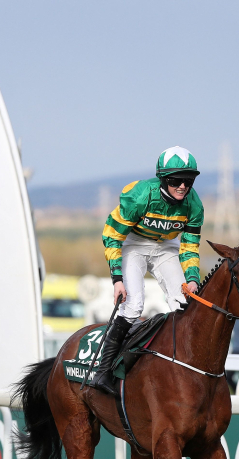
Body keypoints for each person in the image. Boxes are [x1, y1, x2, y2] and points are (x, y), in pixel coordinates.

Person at [91, 147, 204, 395]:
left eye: (189, 180)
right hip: (134, 245)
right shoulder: (141, 195)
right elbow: (111, 235)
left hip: (166, 247)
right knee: (133, 306)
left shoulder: (194, 205)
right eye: (176, 180)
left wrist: (193, 279)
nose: (183, 186)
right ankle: (103, 370)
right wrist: (117, 279)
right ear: (163, 179)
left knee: (184, 302)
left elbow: (189, 248)